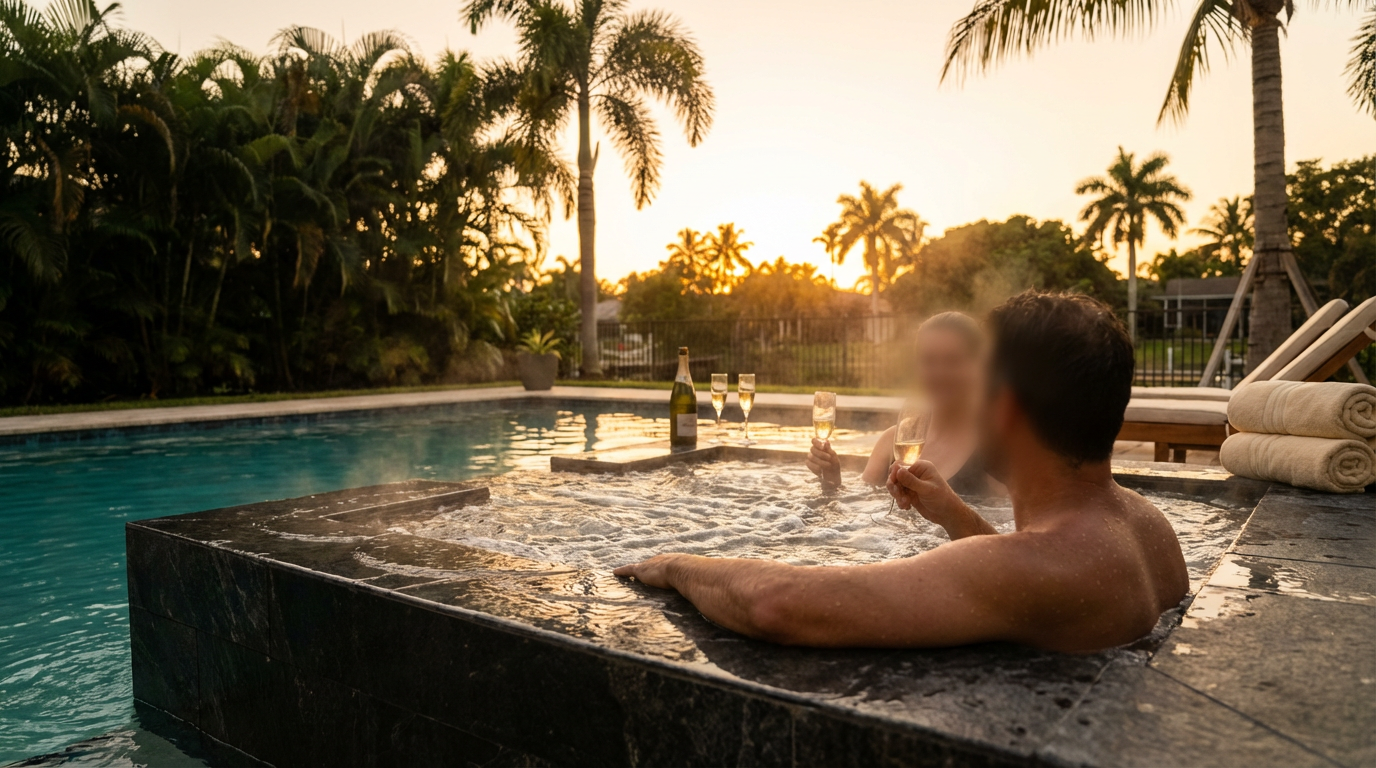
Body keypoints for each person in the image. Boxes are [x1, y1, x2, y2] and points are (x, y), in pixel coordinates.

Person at [615, 292, 1189, 653]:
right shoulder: (1148, 529)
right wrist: (957, 517)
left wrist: (674, 563)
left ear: (1005, 408)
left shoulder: (1040, 566)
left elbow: (779, 604)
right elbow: (1029, 581)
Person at [806, 311, 998, 497]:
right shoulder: (893, 442)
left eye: (952, 360)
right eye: (928, 361)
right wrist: (832, 480)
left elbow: (1012, 526)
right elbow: (857, 510)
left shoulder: (994, 451)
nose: (939, 373)